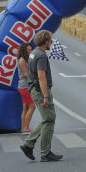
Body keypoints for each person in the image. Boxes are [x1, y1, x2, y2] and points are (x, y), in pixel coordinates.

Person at [20, 30, 63, 162]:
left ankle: (29, 145)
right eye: (50, 40)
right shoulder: (42, 56)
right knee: (49, 118)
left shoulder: (33, 53)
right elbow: (41, 76)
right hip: (40, 90)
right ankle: (45, 152)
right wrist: (45, 96)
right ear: (45, 42)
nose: (51, 42)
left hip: (34, 88)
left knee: (47, 118)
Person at [17, 43, 36, 135]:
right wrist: (36, 77)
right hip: (24, 86)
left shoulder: (27, 59)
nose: (30, 51)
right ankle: (26, 129)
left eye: (31, 49)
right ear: (24, 50)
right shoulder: (22, 60)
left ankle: (23, 128)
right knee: (32, 106)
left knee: (25, 108)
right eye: (28, 49)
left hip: (25, 86)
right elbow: (25, 74)